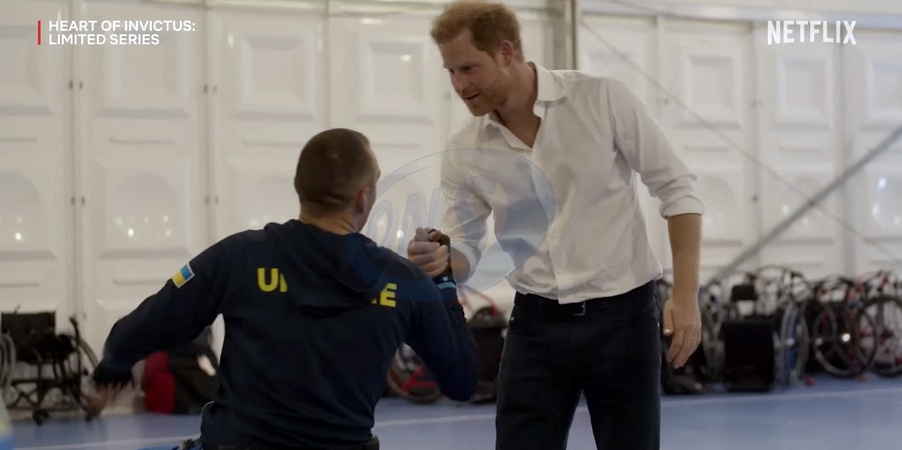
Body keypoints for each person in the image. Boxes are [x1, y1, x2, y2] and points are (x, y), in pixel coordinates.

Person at [407, 2, 705, 449]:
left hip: (623, 321)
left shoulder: (602, 99)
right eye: (450, 71)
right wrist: (443, 258)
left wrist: (685, 295)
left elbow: (678, 189)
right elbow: (465, 248)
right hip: (536, 325)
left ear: (506, 52)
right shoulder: (464, 152)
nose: (459, 85)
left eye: (469, 68)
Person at [88, 128, 479, 450]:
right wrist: (442, 281)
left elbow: (142, 328)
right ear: (364, 197)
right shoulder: (402, 280)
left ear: (299, 187)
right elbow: (461, 381)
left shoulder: (238, 257)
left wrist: (114, 364)